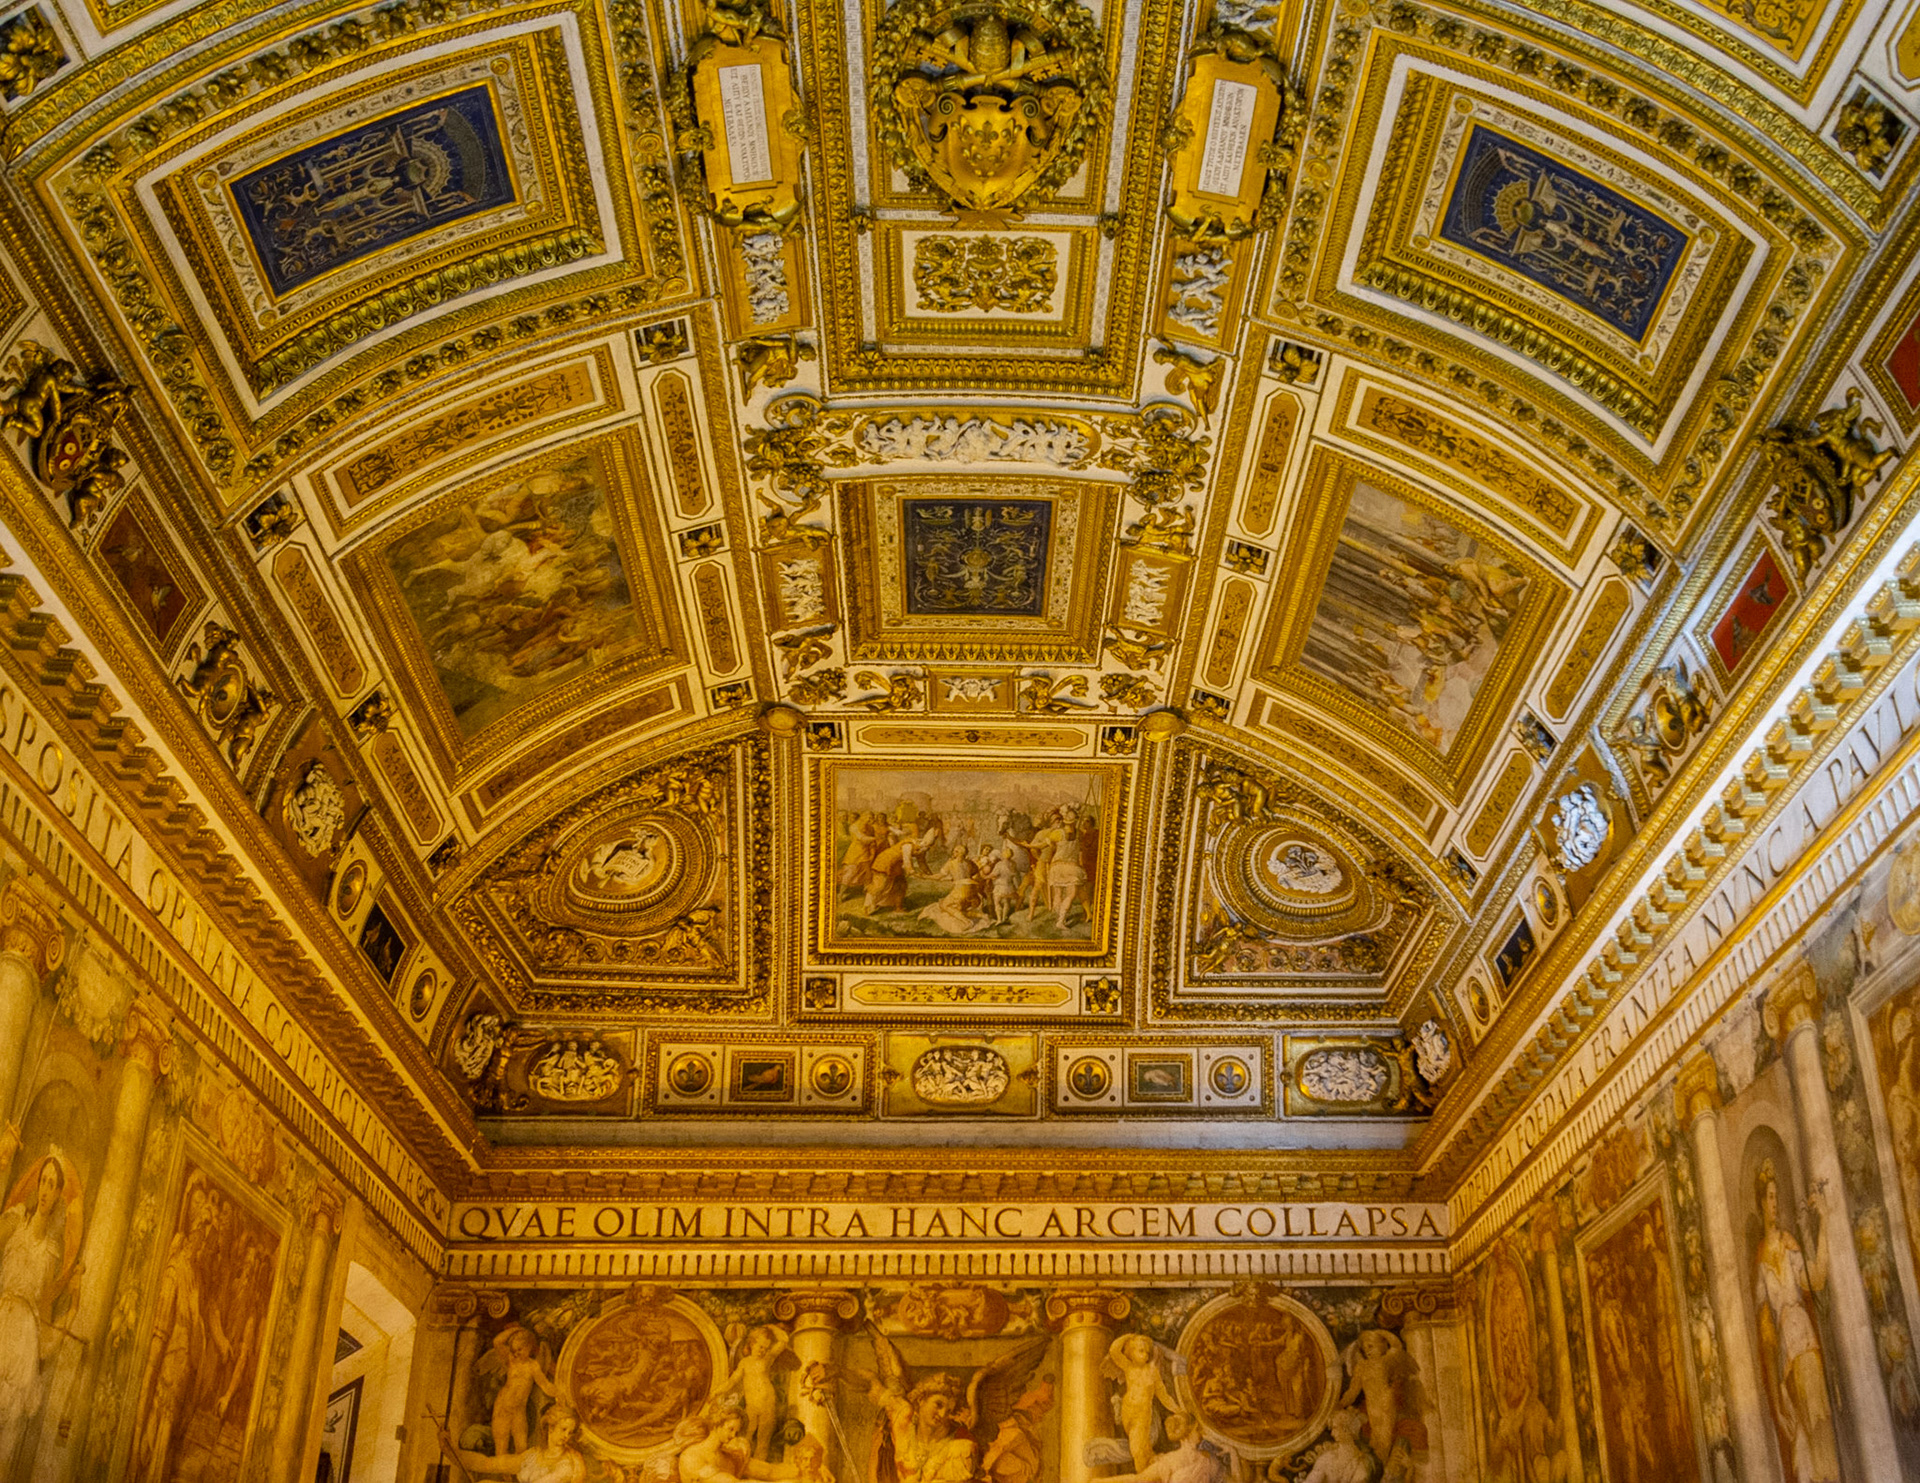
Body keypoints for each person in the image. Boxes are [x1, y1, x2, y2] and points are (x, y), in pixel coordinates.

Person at [1752, 1160, 1841, 1483]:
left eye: (1777, 1196)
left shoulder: (1789, 1243)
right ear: (1761, 1202)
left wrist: (1825, 1223)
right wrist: (1777, 1399)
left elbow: (1816, 1280)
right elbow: (1766, 1336)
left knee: (1820, 1432)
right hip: (1787, 1358)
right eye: (1771, 1197)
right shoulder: (1760, 1260)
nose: (1775, 1204)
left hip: (1806, 1344)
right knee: (1801, 1443)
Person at [0, 1152, 78, 1470]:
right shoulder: (16, 1219)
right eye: (43, 1182)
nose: (45, 1190)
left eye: (52, 1184)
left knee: (11, 1415)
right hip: (1, 1317)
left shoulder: (52, 1251)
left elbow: (44, 1305)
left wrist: (73, 1300)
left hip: (24, 1336)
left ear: (59, 1193)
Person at [439, 1401, 590, 1483]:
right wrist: (449, 1450)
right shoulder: (532, 1456)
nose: (567, 1436)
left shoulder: (572, 1462)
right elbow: (487, 1464)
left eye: (570, 1432)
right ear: (550, 1427)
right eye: (563, 1429)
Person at [1106, 1335, 1180, 1472]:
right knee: (1143, 1449)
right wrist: (1129, 1337)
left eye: (1147, 1352)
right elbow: (1114, 1350)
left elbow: (1163, 1395)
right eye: (1141, 1351)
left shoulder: (1152, 1371)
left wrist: (1177, 1410)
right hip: (1127, 1412)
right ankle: (1152, 1473)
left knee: (1137, 1449)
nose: (1145, 1355)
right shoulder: (1128, 1367)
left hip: (1142, 1413)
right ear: (1131, 1353)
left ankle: (1144, 1477)